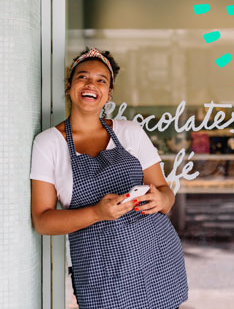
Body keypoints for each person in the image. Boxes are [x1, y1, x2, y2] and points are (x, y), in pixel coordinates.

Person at [30, 47, 188, 309]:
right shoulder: (48, 144)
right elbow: (43, 221)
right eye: (83, 77)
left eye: (101, 80)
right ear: (69, 87)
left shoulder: (131, 132)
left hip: (156, 261)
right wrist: (97, 213)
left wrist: (160, 199)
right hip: (101, 274)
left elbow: (166, 194)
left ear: (109, 94)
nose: (92, 84)